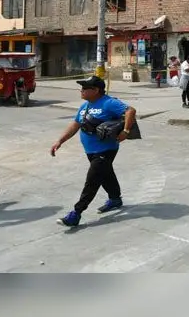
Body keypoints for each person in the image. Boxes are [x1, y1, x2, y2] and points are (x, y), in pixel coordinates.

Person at [52, 76, 137, 228]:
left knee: (93, 180)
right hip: (90, 150)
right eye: (82, 88)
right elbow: (75, 125)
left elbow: (130, 110)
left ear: (96, 90)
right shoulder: (85, 106)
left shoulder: (108, 102)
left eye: (85, 88)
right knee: (105, 175)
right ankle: (115, 199)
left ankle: (76, 214)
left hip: (106, 149)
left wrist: (125, 131)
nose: (81, 90)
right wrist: (60, 141)